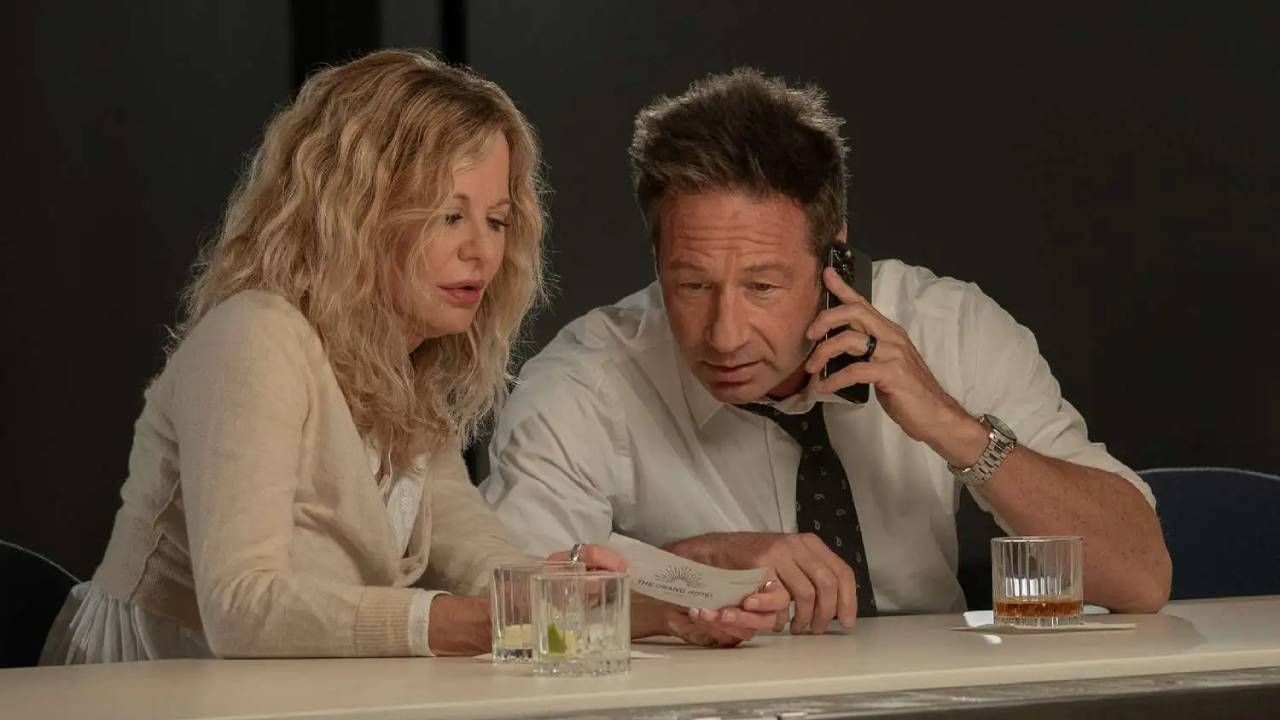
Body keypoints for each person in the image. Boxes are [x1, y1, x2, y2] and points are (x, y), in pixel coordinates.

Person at [41, 52, 782, 663]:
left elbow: (487, 564)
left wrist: (662, 608)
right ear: (354, 211)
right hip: (143, 688)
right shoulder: (255, 336)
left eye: (497, 220)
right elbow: (241, 608)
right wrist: (468, 623)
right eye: (448, 215)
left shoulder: (405, 365)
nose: (482, 250)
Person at [481, 68, 1172, 635]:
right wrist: (696, 565)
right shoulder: (587, 380)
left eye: (763, 285)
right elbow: (508, 608)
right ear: (656, 256)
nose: (725, 334)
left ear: (833, 250)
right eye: (691, 285)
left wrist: (956, 428)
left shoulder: (951, 327)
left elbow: (1140, 577)